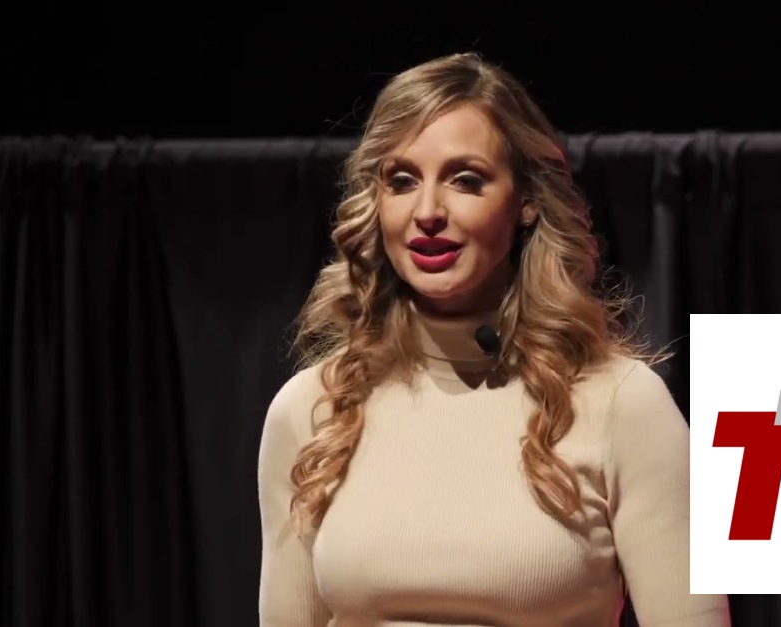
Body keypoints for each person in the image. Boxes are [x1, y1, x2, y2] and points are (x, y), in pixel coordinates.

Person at [257, 52, 731, 626]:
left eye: (465, 180)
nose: (427, 211)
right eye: (401, 181)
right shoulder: (312, 410)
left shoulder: (622, 404)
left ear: (526, 201)